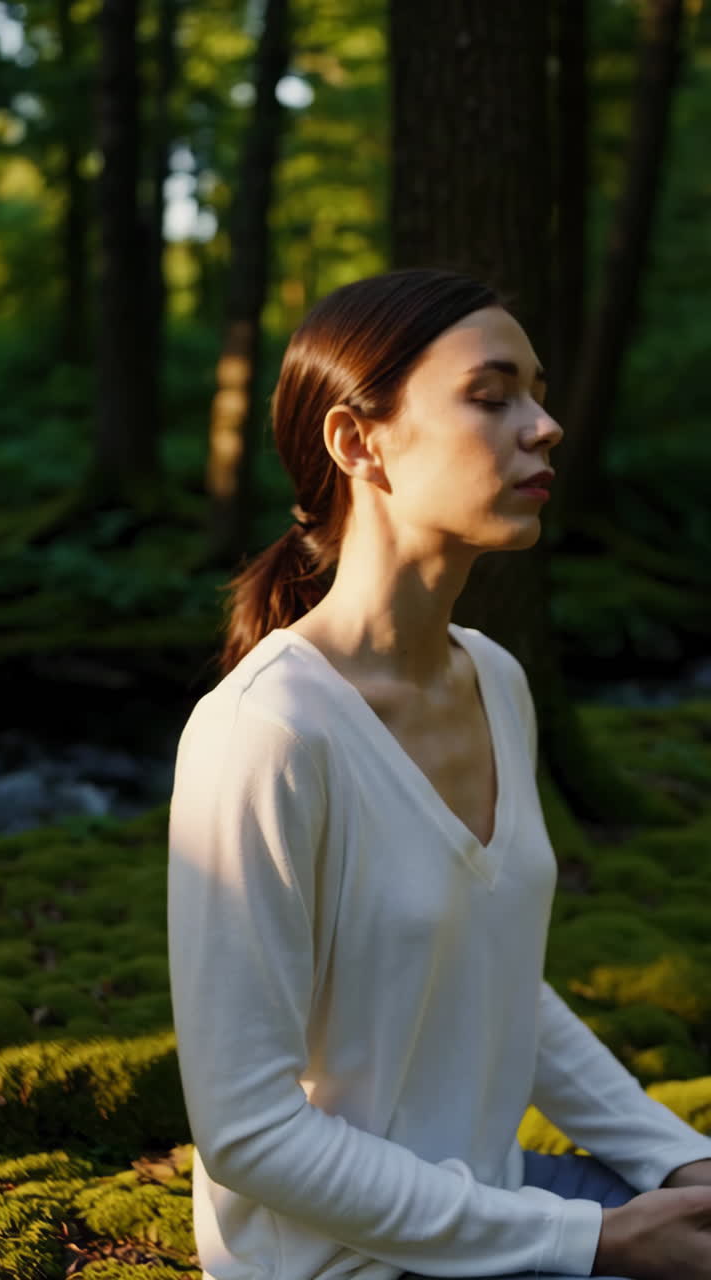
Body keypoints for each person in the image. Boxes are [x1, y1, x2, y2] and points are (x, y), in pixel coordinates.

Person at [167, 269, 711, 1280]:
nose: (545, 425)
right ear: (357, 441)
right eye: (491, 395)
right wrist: (596, 1237)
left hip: (495, 1207)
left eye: (537, 393)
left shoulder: (495, 678)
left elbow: (497, 984)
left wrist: (677, 1158)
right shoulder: (265, 731)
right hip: (341, 1263)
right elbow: (248, 1133)